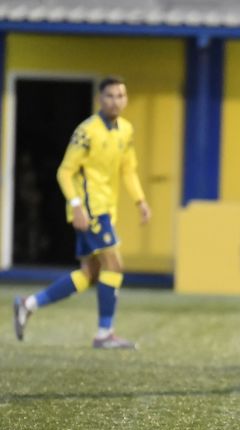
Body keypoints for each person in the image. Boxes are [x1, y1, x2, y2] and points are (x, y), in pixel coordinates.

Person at [13, 76, 151, 349]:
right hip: (89, 210)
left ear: (126, 100)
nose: (116, 100)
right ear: (100, 99)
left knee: (90, 274)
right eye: (110, 95)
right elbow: (64, 171)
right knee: (115, 265)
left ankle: (28, 304)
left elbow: (128, 170)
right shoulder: (86, 132)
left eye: (121, 95)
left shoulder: (125, 130)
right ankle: (104, 333)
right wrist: (76, 207)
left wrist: (140, 201)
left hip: (105, 210)